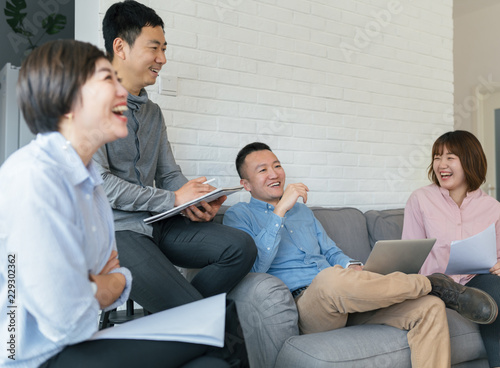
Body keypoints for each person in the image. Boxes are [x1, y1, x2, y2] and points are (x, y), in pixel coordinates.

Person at [0, 40, 230, 368]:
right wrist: (106, 283)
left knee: (213, 360)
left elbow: (108, 282)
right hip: (34, 357)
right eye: (108, 80)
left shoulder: (90, 183)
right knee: (214, 330)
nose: (123, 92)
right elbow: (68, 316)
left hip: (74, 342)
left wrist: (96, 283)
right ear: (67, 100)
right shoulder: (32, 177)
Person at [223, 141, 498, 368]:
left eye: (277, 165)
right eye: (262, 170)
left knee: (430, 309)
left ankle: (432, 293)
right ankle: (431, 284)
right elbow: (255, 265)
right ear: (245, 184)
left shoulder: (303, 212)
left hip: (349, 297)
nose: (274, 173)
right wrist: (280, 211)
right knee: (331, 279)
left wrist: (353, 266)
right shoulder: (239, 215)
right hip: (309, 305)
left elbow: (331, 251)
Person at [93, 0, 256, 315]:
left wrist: (193, 200)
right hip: (114, 232)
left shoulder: (153, 112)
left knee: (241, 247)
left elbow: (169, 175)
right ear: (120, 47)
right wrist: (171, 199)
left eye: (164, 49)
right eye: (154, 48)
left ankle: (177, 317)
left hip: (158, 223)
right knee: (194, 314)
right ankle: (186, 317)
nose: (162, 59)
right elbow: (100, 184)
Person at [402, 130, 500, 368]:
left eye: (450, 157)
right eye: (437, 157)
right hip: (435, 280)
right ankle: (450, 294)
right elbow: (409, 253)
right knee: (439, 283)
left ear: (470, 161)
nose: (441, 164)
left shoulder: (492, 207)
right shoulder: (420, 199)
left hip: (475, 278)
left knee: (496, 295)